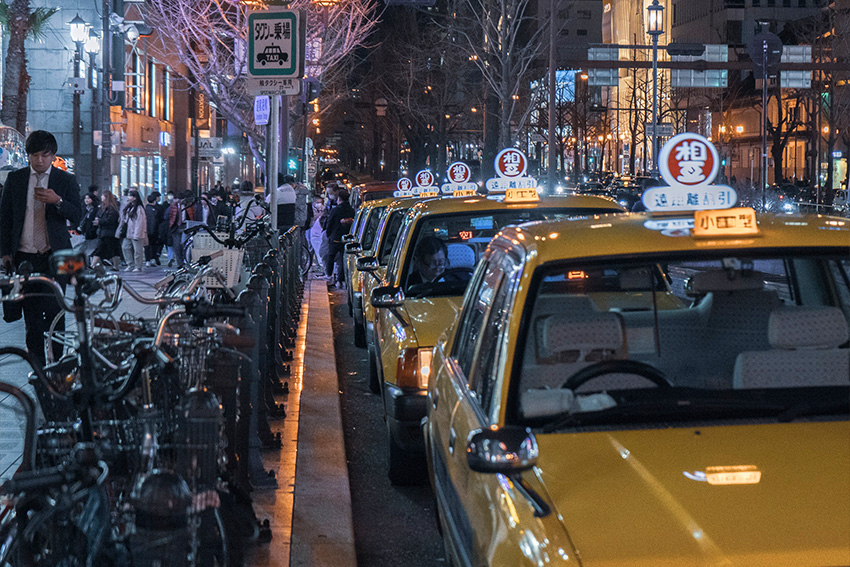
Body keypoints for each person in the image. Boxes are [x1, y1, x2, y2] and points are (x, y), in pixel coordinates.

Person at [0, 129, 83, 366]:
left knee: (56, 314)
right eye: (34, 155)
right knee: (31, 318)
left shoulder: (64, 180)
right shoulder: (16, 180)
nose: (39, 160)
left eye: (44, 155)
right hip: (24, 258)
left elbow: (78, 215)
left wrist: (58, 201)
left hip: (54, 257)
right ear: (28, 155)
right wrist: (5, 252)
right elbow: (5, 218)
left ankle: (57, 366)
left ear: (53, 156)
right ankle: (37, 366)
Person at [323, 188, 355, 286]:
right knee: (342, 258)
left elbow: (330, 223)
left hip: (335, 237)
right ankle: (340, 279)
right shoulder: (351, 210)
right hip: (347, 237)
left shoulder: (336, 210)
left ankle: (329, 275)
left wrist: (328, 234)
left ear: (339, 199)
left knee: (331, 256)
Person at [117, 189, 147, 272]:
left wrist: (137, 234)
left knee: (138, 251)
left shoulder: (139, 208)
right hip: (128, 232)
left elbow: (140, 222)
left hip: (136, 233)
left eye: (130, 196)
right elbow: (124, 220)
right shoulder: (129, 207)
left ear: (134, 197)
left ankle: (138, 266)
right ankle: (130, 264)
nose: (128, 197)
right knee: (125, 247)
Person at [92, 191, 122, 270]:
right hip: (103, 232)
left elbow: (110, 220)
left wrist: (100, 221)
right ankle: (93, 265)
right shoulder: (102, 208)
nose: (101, 197)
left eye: (103, 196)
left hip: (109, 232)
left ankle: (93, 265)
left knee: (109, 249)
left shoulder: (112, 209)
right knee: (103, 249)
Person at [75, 188, 100, 265]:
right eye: (85, 198)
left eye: (89, 198)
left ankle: (91, 264)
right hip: (83, 233)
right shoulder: (83, 209)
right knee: (82, 250)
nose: (86, 200)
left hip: (93, 234)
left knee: (90, 250)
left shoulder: (96, 210)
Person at [144, 192, 162, 266]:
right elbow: (156, 221)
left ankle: (147, 260)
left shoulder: (145, 209)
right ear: (154, 201)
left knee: (147, 246)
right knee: (153, 245)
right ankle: (152, 258)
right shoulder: (156, 210)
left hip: (146, 230)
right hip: (154, 230)